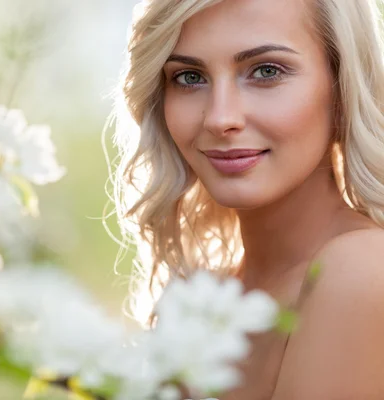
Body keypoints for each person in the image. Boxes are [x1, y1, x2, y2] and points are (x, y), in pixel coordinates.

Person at [109, 0, 384, 398]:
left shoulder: (362, 269)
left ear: (342, 87)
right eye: (188, 77)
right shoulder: (201, 297)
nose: (220, 118)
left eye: (266, 71)